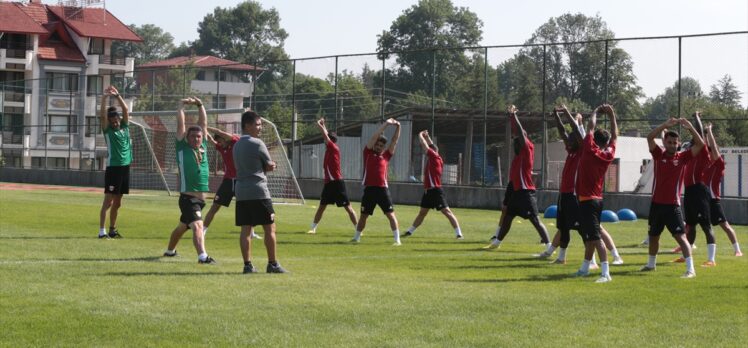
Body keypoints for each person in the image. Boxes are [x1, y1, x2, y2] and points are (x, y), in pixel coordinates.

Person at [539, 106, 623, 267]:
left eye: (572, 139)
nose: (568, 140)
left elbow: (581, 129)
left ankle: (603, 263)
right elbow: (566, 132)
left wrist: (574, 114)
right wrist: (559, 115)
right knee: (567, 227)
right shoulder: (593, 152)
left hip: (580, 197)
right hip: (578, 196)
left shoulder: (586, 149)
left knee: (591, 232)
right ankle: (567, 258)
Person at [640, 117, 705, 278]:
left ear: (678, 143)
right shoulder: (658, 154)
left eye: (675, 143)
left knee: (681, 238)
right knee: (653, 236)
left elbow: (701, 145)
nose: (672, 145)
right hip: (656, 205)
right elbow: (649, 137)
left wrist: (690, 126)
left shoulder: (683, 157)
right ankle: (650, 265)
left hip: (672, 206)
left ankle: (691, 269)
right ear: (665, 142)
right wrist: (664, 125)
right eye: (669, 142)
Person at [484, 106, 550, 252]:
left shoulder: (527, 149)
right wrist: (510, 118)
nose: (515, 141)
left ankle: (549, 246)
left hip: (526, 193)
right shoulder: (518, 156)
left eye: (517, 139)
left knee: (535, 220)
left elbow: (520, 132)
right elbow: (517, 133)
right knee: (507, 217)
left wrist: (514, 116)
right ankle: (497, 242)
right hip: (517, 192)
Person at [163, 97, 215, 264]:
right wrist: (181, 107)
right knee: (198, 226)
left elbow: (204, 123)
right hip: (188, 199)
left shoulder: (204, 147)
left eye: (199, 136)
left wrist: (200, 105)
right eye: (193, 136)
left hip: (200, 201)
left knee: (181, 228)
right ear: (187, 137)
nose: (196, 139)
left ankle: (170, 251)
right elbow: (180, 125)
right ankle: (203, 257)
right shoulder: (182, 147)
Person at [570, 104, 619, 283]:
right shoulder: (608, 154)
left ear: (594, 139)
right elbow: (615, 135)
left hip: (587, 201)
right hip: (597, 200)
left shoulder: (589, 149)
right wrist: (612, 114)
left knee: (595, 238)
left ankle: (606, 273)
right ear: (606, 143)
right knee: (590, 236)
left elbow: (590, 126)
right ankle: (584, 268)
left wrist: (596, 111)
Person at [233, 110, 286, 274]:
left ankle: (247, 265)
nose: (260, 128)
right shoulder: (258, 143)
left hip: (241, 192)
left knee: (245, 230)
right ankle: (272, 264)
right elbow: (269, 165)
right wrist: (272, 166)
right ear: (247, 126)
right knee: (270, 228)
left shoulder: (236, 146)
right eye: (257, 124)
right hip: (258, 191)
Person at [401, 130, 463, 239]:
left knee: (447, 212)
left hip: (435, 191)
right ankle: (410, 231)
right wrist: (428, 136)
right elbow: (431, 146)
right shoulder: (435, 157)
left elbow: (426, 146)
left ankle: (459, 234)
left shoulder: (435, 158)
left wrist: (420, 135)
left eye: (431, 150)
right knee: (422, 213)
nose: (428, 151)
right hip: (428, 191)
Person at [202, 126, 261, 240]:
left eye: (220, 141)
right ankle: (203, 230)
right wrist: (203, 128)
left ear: (225, 139)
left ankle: (251, 233)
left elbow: (219, 132)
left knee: (248, 206)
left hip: (241, 181)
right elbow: (210, 139)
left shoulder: (235, 143)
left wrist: (206, 126)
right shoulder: (221, 148)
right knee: (215, 206)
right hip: (228, 182)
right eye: (218, 142)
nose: (219, 144)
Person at [673, 112, 715, 266]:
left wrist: (696, 117)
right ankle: (687, 256)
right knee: (690, 226)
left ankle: (711, 260)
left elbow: (697, 133)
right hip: (690, 191)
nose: (692, 142)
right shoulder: (691, 152)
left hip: (699, 191)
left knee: (706, 225)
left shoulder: (703, 150)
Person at [351, 118, 402, 245]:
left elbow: (394, 141)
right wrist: (386, 124)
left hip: (383, 190)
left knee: (390, 215)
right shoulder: (367, 153)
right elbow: (374, 136)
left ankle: (397, 240)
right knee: (364, 216)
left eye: (381, 146)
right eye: (377, 145)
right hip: (369, 190)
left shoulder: (386, 156)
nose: (378, 147)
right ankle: (356, 238)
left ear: (383, 148)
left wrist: (398, 126)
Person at [308, 118, 358, 234]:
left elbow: (325, 136)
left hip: (337, 183)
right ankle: (313, 228)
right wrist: (324, 125)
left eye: (327, 139)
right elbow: (326, 135)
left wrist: (319, 125)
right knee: (322, 207)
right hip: (329, 184)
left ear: (331, 140)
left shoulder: (333, 148)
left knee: (348, 208)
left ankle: (358, 229)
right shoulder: (329, 150)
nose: (325, 140)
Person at [703, 123, 742, 257]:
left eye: (712, 152)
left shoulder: (719, 164)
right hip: (703, 200)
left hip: (714, 201)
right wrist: (705, 135)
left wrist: (709, 131)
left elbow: (712, 146)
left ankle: (737, 250)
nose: (710, 153)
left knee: (725, 226)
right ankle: (685, 247)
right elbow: (705, 146)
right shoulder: (707, 165)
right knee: (691, 225)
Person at [98, 86, 131, 239]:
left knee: (118, 203)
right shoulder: (108, 131)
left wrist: (117, 95)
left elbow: (125, 110)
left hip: (125, 168)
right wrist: (105, 97)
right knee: (108, 201)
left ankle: (112, 229)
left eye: (116, 120)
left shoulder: (124, 127)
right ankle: (101, 231)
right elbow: (102, 116)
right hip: (114, 169)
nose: (115, 122)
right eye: (112, 121)